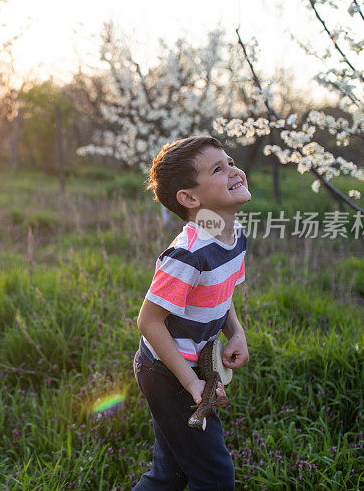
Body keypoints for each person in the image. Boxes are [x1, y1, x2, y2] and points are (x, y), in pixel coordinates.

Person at [132, 135, 251, 490]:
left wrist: (237, 332)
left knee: (170, 473)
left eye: (229, 162)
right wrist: (192, 382)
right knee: (215, 476)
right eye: (218, 168)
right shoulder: (187, 254)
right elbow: (148, 321)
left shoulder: (232, 235)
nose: (233, 170)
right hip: (167, 373)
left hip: (190, 365)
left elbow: (222, 291)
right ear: (190, 198)